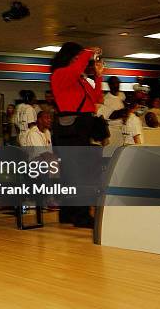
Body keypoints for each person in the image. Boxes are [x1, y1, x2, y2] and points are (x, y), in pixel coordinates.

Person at [50, 42, 104, 228]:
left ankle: (68, 213)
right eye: (76, 57)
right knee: (79, 175)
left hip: (81, 128)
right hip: (71, 130)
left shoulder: (80, 79)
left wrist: (98, 76)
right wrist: (89, 51)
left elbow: (97, 98)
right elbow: (75, 70)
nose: (79, 61)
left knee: (71, 174)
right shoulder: (60, 75)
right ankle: (81, 217)